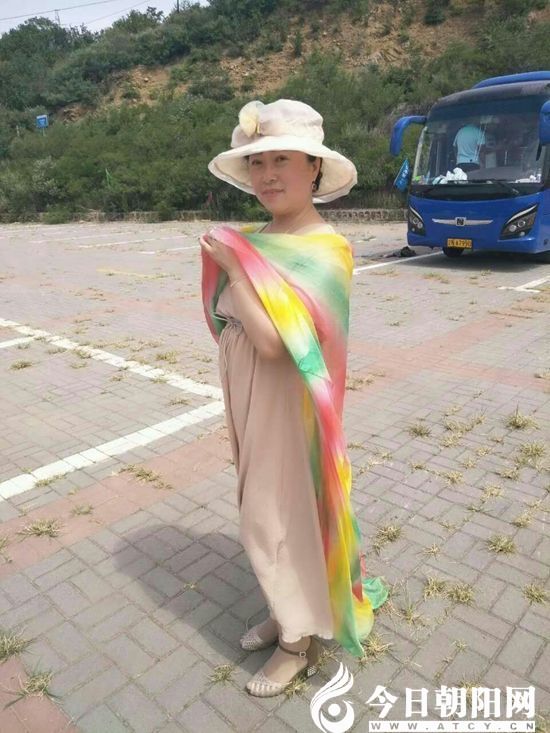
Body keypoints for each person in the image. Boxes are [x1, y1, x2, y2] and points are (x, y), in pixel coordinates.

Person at [200, 99, 388, 698]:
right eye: (257, 163)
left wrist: (234, 266)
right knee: (262, 506)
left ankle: (296, 644)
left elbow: (274, 345)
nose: (267, 175)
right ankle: (287, 612)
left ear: (314, 168)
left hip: (287, 403)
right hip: (248, 391)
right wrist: (236, 261)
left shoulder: (324, 249)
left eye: (282, 160)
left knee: (276, 514)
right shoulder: (260, 239)